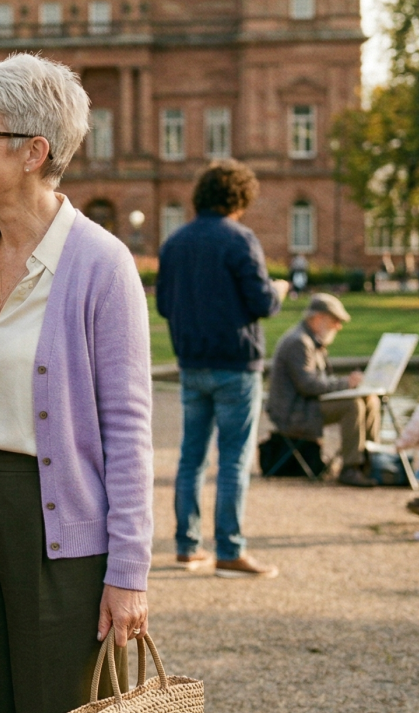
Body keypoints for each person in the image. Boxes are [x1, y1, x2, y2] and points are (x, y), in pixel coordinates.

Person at [0, 52, 153, 713]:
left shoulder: (102, 263)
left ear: (34, 151)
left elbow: (128, 428)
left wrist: (129, 573)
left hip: (56, 523)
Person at [157, 160, 289, 579]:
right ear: (239, 197)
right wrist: (280, 290)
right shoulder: (240, 238)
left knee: (191, 457)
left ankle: (188, 546)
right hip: (235, 362)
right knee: (233, 459)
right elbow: (261, 302)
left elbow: (164, 305)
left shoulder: (175, 242)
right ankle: (230, 550)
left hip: (192, 361)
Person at [266, 293, 381, 487]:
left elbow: (319, 382)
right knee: (352, 405)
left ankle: (371, 461)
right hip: (293, 414)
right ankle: (350, 468)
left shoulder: (312, 341)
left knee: (370, 400)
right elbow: (308, 385)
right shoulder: (299, 342)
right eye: (336, 321)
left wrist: (349, 384)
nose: (339, 326)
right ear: (318, 318)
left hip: (305, 406)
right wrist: (347, 383)